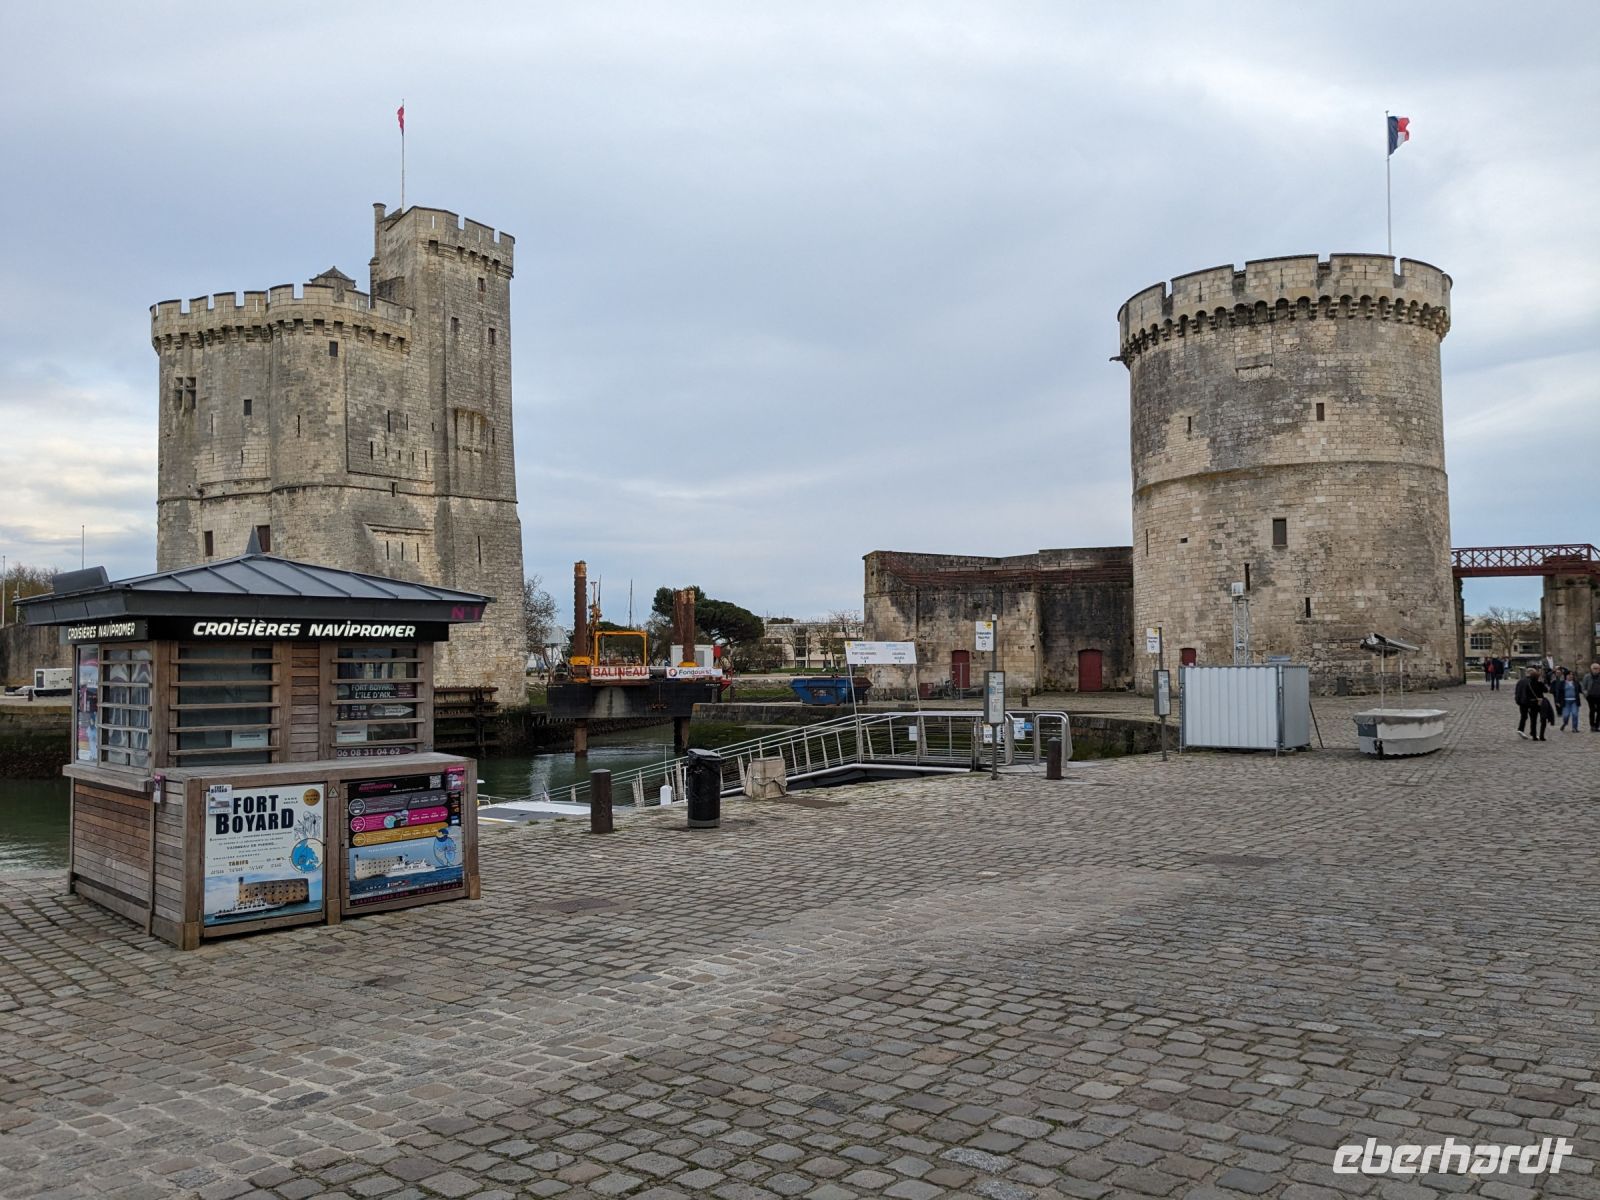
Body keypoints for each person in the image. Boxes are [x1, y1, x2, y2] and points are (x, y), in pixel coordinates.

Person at [1515, 666, 1548, 741]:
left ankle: (1522, 730)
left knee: (1525, 716)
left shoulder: (1520, 681)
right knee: (1533, 718)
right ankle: (1532, 733)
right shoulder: (1532, 682)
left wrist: (1517, 700)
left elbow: (1517, 692)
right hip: (1530, 702)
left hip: (1522, 702)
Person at [1558, 667, 1582, 733]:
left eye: (1572, 675)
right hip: (1566, 701)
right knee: (1566, 715)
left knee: (1575, 714)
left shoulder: (1576, 683)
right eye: (1569, 675)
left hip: (1574, 701)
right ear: (1566, 676)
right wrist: (1558, 701)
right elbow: (1559, 693)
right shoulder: (1562, 683)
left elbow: (1581, 690)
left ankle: (1575, 728)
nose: (1571, 676)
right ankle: (1565, 723)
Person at [1585, 662, 1600, 733]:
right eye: (1594, 668)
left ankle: (1597, 725)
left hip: (1599, 696)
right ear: (1591, 669)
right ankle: (1592, 725)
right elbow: (1583, 687)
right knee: (1592, 710)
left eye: (1597, 668)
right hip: (1590, 696)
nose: (1596, 670)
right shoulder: (1587, 676)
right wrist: (1586, 694)